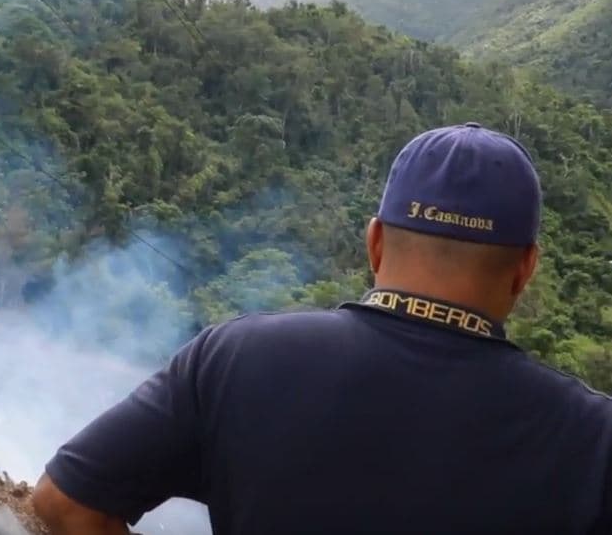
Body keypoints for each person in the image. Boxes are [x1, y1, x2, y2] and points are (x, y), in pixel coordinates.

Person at [31, 122, 612, 535]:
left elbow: (65, 503)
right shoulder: (592, 441)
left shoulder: (235, 358)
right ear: (525, 269)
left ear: (375, 241)